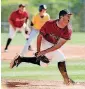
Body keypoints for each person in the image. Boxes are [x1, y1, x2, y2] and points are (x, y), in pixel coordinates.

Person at [10, 9, 75, 85]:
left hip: (53, 45)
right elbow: (40, 37)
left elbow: (58, 45)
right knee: (61, 58)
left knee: (44, 64)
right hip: (44, 42)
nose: (69, 18)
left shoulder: (68, 30)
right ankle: (66, 80)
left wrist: (43, 52)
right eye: (68, 16)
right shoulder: (49, 24)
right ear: (61, 17)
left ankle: (20, 59)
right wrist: (38, 51)